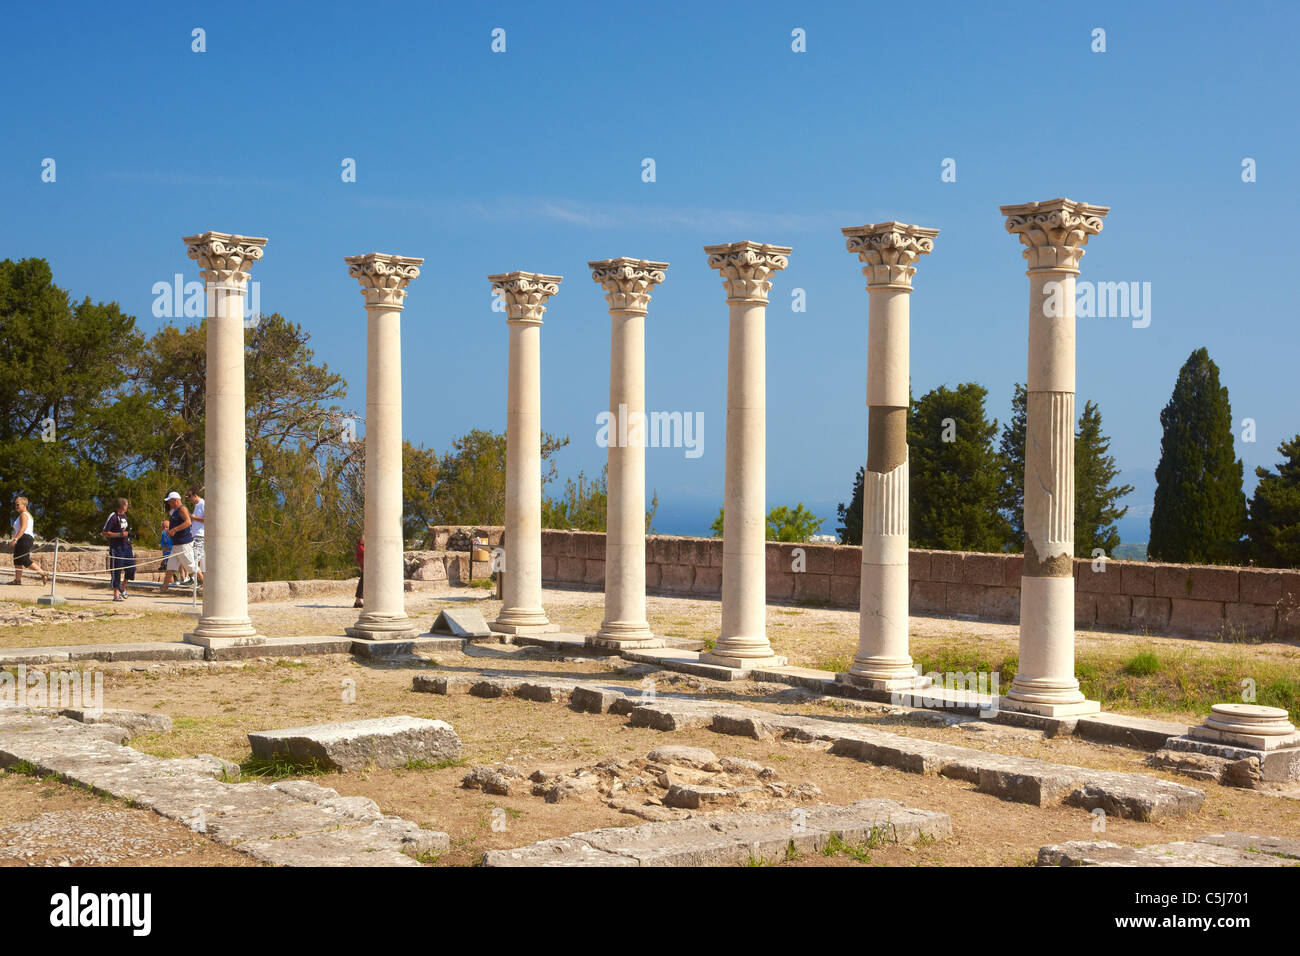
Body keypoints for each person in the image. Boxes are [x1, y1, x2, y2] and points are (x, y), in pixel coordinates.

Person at [160, 492, 197, 592]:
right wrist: (170, 532)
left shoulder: (182, 509)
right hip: (176, 544)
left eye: (170, 501)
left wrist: (174, 530)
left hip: (184, 543)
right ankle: (164, 587)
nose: (169, 504)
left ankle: (205, 584)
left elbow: (188, 522)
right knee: (171, 566)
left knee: (191, 567)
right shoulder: (175, 511)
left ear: (175, 500)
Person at [101, 498, 133, 601]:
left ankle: (123, 586)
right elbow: (104, 532)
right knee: (117, 570)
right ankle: (116, 593)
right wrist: (119, 534)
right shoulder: (113, 516)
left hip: (126, 546)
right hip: (117, 547)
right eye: (126, 504)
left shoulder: (124, 515)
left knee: (131, 568)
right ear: (122, 506)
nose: (127, 506)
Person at [8, 497, 43, 586]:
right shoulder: (26, 514)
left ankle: (43, 573)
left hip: (24, 538)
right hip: (23, 538)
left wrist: (15, 539)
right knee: (17, 559)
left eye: (18, 504)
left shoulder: (24, 514)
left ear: (24, 505)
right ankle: (17, 580)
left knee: (24, 559)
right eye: (16, 504)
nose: (16, 506)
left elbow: (23, 528)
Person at [187, 487, 205, 587]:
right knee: (196, 559)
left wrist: (194, 517)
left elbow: (207, 519)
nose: (189, 498)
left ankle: (199, 580)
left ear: (195, 495)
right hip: (194, 535)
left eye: (190, 496)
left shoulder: (203, 504)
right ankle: (198, 580)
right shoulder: (197, 505)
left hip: (200, 535)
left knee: (193, 559)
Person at [354, 536, 364, 609]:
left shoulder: (361, 546)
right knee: (362, 583)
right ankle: (357, 601)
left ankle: (358, 601)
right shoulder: (360, 547)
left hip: (366, 568)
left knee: (362, 583)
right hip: (365, 568)